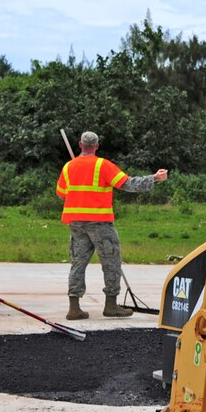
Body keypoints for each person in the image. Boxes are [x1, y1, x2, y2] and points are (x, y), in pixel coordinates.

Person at [56, 131, 168, 320]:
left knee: (78, 263)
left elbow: (61, 193)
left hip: (76, 223)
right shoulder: (103, 165)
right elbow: (128, 184)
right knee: (111, 261)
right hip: (100, 223)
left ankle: (74, 307)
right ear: (97, 146)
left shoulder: (68, 167)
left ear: (80, 145)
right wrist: (154, 178)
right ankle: (111, 305)